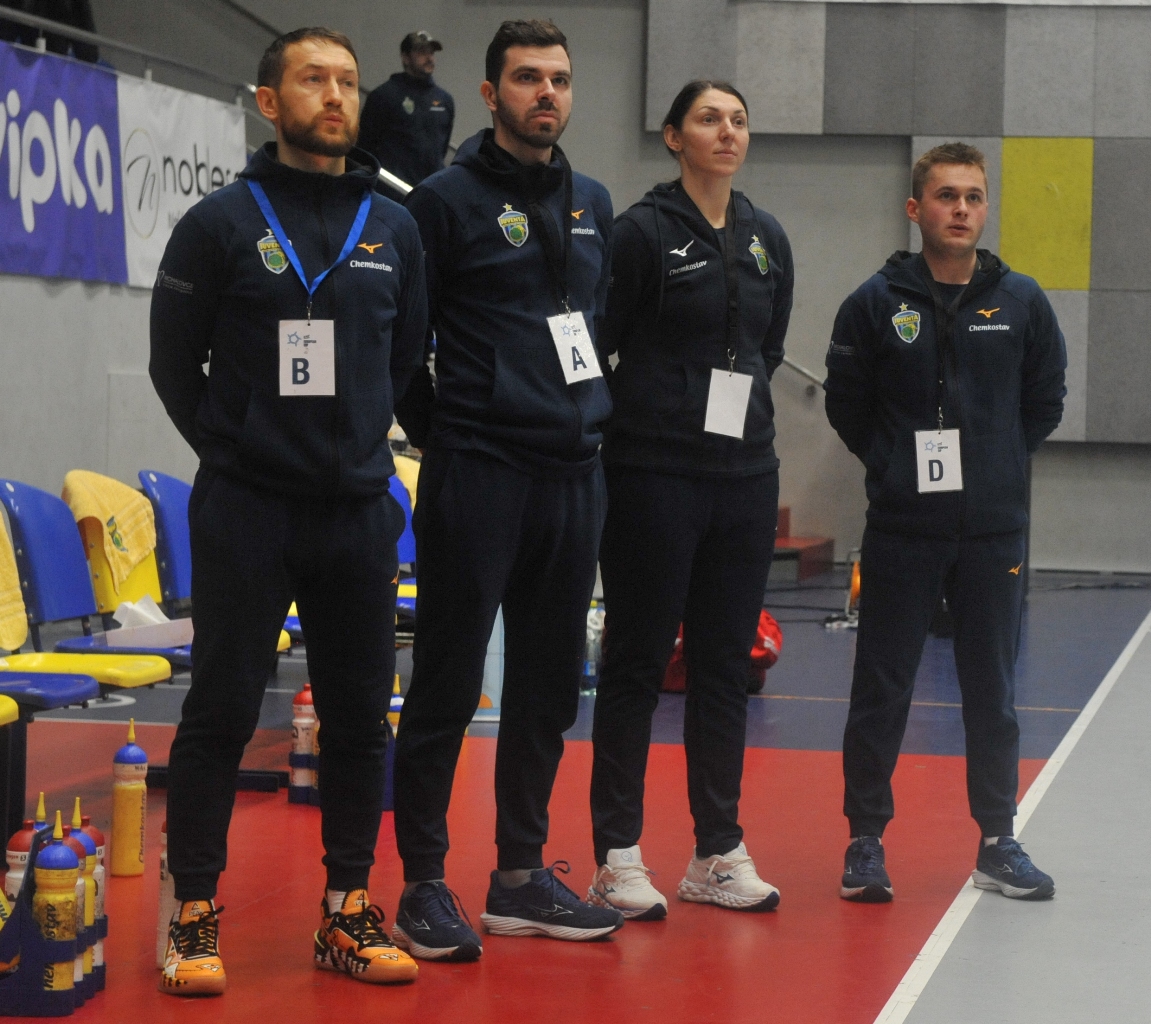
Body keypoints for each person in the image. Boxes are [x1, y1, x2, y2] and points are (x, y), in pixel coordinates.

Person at [149, 27, 427, 995]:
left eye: (347, 81)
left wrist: (351, 451)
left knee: (357, 719)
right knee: (220, 711)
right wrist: (236, 451)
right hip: (247, 510)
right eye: (313, 79)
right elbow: (172, 362)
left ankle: (346, 911)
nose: (335, 96)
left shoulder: (394, 228)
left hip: (356, 511)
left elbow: (404, 360)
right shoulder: (219, 222)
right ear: (269, 102)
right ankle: (191, 913)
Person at [389, 18, 623, 962]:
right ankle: (422, 883)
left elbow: (596, 326)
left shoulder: (592, 201)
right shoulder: (441, 203)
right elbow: (403, 343)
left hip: (574, 474)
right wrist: (451, 431)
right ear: (490, 94)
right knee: (448, 682)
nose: (546, 93)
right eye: (527, 78)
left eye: (558, 78)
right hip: (479, 471)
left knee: (546, 687)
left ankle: (520, 877)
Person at [824, 142, 1066, 904]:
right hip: (903, 527)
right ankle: (865, 841)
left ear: (983, 209)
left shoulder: (1020, 301)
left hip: (992, 530)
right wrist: (893, 463)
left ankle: (997, 840)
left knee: (991, 690)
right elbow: (846, 403)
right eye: (944, 196)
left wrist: (998, 461)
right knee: (881, 686)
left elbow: (1044, 399)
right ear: (914, 208)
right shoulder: (874, 301)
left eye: (971, 197)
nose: (959, 209)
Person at [586, 81, 794, 920]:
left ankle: (715, 851)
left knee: (722, 666)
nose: (726, 132)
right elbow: (602, 341)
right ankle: (616, 856)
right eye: (709, 119)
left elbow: (766, 347)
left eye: (738, 120)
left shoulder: (766, 235)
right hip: (652, 475)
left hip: (743, 477)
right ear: (673, 136)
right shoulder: (639, 232)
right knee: (636, 662)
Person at [358, 31, 454, 201]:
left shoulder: (444, 100)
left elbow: (442, 148)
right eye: (422, 52)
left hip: (430, 195)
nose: (429, 58)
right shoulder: (383, 96)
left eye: (431, 52)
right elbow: (365, 148)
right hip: (391, 194)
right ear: (405, 58)